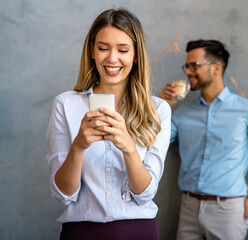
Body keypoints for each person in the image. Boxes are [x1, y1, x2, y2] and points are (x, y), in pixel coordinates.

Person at [46, 8, 171, 240]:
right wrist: (78, 146)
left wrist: (128, 147)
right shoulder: (65, 104)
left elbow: (145, 194)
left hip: (139, 231)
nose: (112, 59)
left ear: (136, 55)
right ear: (92, 50)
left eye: (123, 50)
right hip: (82, 231)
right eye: (103, 48)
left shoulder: (157, 110)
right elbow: (62, 195)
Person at [159, 39, 248, 240]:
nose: (188, 72)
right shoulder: (183, 112)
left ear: (216, 68)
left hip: (227, 211)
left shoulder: (247, 110)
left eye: (194, 66)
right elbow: (153, 144)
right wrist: (162, 107)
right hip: (188, 207)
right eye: (187, 66)